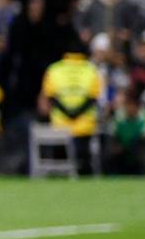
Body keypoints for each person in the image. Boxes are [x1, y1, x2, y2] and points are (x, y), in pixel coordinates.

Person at [41, 37, 106, 173]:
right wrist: (77, 113)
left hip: (60, 124)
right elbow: (93, 98)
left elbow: (52, 97)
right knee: (83, 163)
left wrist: (68, 113)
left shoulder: (54, 69)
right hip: (84, 124)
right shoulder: (91, 69)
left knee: (60, 164)